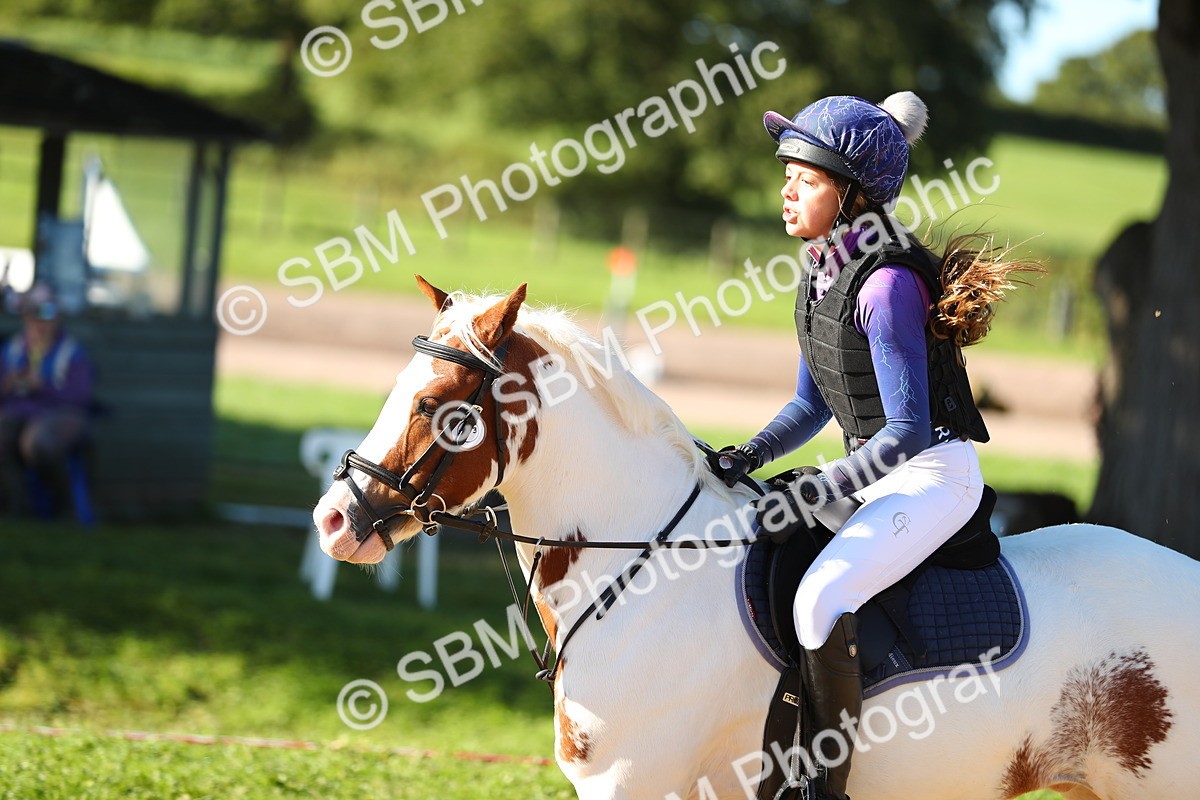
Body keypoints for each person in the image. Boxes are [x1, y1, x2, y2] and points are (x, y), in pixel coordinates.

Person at [710, 92, 1038, 800]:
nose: (787, 191)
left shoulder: (885, 284)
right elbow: (810, 405)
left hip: (931, 476)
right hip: (874, 472)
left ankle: (824, 788)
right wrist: (747, 456)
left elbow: (907, 433)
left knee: (820, 600)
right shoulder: (820, 270)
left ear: (853, 194)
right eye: (788, 175)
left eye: (806, 179)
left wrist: (822, 486)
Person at [0, 283, 94, 517]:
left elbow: (80, 397)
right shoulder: (12, 349)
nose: (40, 325)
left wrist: (44, 386)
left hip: (58, 415)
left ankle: (60, 506)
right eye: (34, 317)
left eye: (47, 318)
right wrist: (8, 384)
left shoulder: (72, 352)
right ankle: (12, 508)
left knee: (36, 443)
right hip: (16, 412)